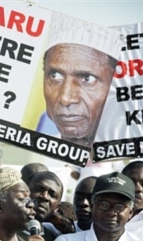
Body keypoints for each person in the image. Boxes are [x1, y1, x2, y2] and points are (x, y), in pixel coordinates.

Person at [37, 13, 122, 147]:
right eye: (55, 76)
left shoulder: (131, 163)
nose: (65, 98)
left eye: (87, 78)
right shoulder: (37, 148)